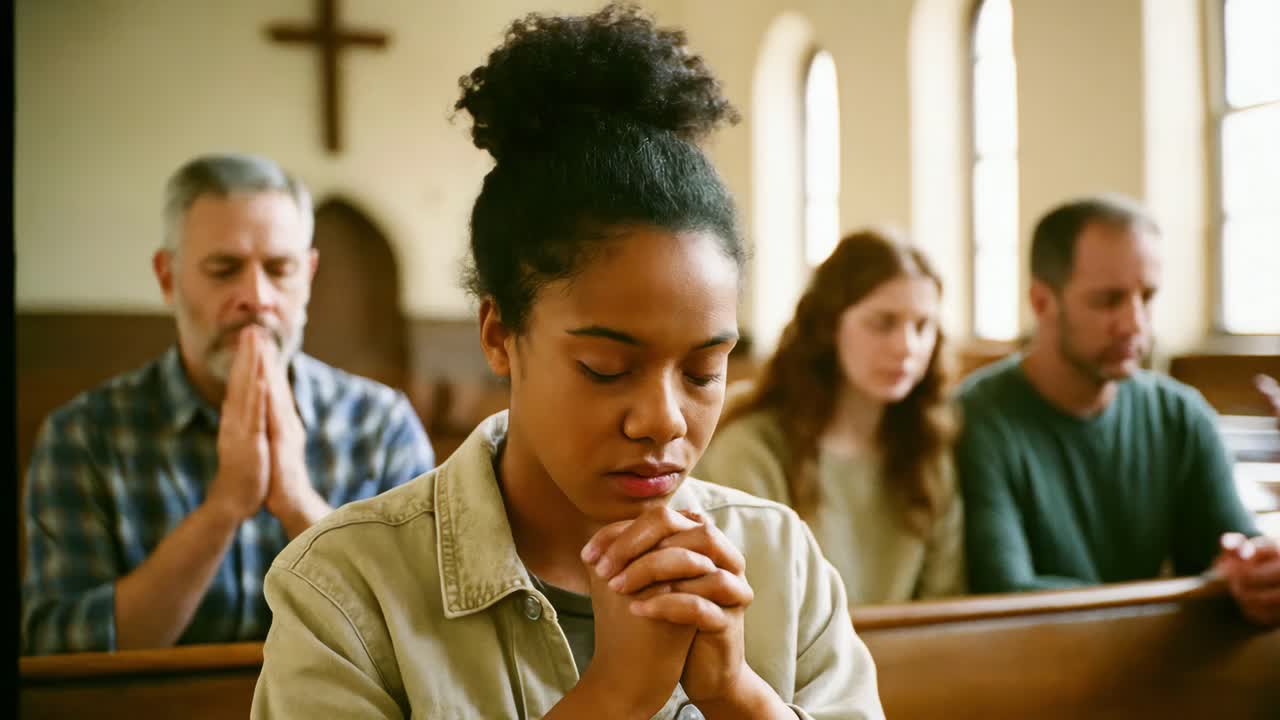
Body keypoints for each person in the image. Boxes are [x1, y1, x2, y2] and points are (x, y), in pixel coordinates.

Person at [251, 5, 884, 718]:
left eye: (705, 372)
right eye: (606, 368)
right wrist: (613, 696)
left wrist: (739, 696)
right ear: (498, 333)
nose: (664, 420)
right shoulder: (346, 589)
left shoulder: (777, 559)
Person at [21, 153, 436, 655]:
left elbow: (425, 625)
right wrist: (222, 509)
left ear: (307, 276)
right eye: (224, 270)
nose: (256, 297)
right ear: (168, 277)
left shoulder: (381, 425)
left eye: (280, 270)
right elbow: (59, 649)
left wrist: (298, 503)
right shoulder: (82, 437)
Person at [956, 193, 1280, 626]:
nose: (1135, 323)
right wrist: (1187, 598)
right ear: (1041, 302)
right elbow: (1006, 593)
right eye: (1108, 301)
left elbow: (1230, 548)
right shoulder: (976, 419)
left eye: (1146, 297)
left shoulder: (1180, 414)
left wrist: (1257, 571)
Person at [695, 230, 963, 605]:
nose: (908, 346)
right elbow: (761, 617)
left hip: (913, 660)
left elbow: (947, 606)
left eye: (923, 326)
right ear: (828, 326)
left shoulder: (927, 452)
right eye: (883, 323)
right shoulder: (752, 450)